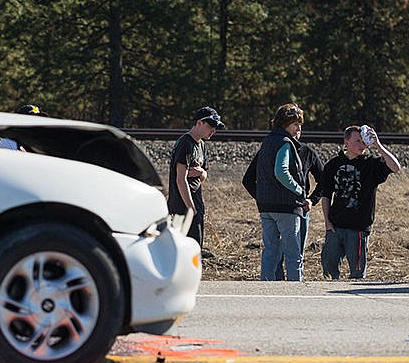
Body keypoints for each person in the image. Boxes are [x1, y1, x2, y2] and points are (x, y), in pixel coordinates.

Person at [243, 119, 324, 280]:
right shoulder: (283, 145)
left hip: (291, 207)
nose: (298, 129)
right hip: (289, 207)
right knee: (293, 254)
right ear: (284, 126)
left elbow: (324, 180)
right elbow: (278, 173)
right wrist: (299, 192)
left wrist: (312, 200)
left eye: (300, 126)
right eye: (295, 125)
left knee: (272, 252)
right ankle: (292, 293)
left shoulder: (305, 151)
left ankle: (271, 290)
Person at [319, 125, 401, 279]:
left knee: (357, 275)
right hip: (335, 227)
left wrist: (377, 144)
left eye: (363, 141)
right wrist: (327, 223)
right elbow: (326, 195)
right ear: (346, 142)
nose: (361, 144)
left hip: (358, 230)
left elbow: (396, 167)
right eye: (357, 141)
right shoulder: (333, 164)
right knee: (328, 272)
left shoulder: (371, 164)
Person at [167, 106, 224, 257]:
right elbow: (180, 180)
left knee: (196, 244)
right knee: (180, 248)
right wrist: (190, 208)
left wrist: (202, 173)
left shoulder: (201, 145)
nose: (213, 130)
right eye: (210, 126)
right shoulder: (185, 143)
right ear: (199, 123)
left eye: (215, 127)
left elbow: (203, 176)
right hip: (181, 203)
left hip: (196, 200)